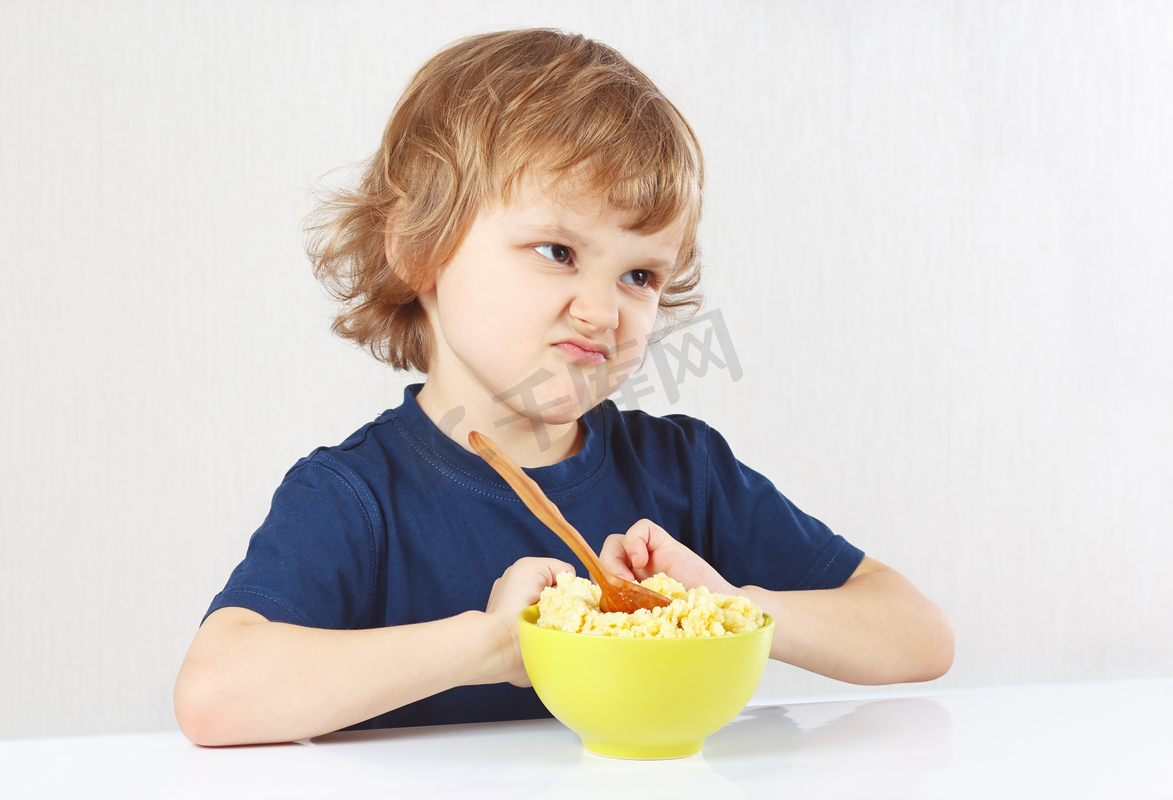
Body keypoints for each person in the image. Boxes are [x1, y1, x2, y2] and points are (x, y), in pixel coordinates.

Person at [174, 28, 953, 747]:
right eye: (556, 250)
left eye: (640, 274)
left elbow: (919, 634)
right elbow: (215, 694)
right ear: (418, 248)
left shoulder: (683, 474)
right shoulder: (355, 498)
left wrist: (726, 608)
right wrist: (490, 644)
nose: (604, 310)